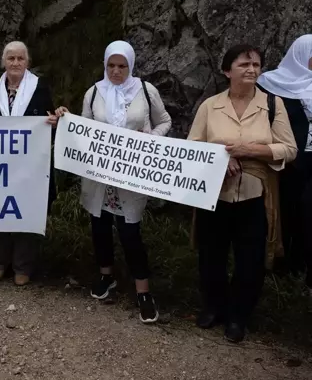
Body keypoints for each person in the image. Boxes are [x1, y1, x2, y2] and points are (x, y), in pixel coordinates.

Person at [50, 40, 171, 323]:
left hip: (130, 176)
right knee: (100, 226)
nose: (116, 71)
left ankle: (143, 291)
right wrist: (65, 119)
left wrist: (151, 138)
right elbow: (85, 128)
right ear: (105, 65)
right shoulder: (94, 92)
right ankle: (107, 276)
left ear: (131, 66)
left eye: (122, 66)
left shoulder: (145, 91)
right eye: (111, 66)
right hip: (99, 176)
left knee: (131, 232)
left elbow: (164, 121)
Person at [188, 44, 297, 343]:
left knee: (250, 260)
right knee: (211, 256)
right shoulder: (210, 106)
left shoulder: (273, 104)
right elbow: (193, 145)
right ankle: (214, 307)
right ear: (227, 71)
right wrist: (221, 160)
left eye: (256, 65)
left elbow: (289, 149)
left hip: (255, 197)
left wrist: (250, 150)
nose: (252, 70)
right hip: (215, 194)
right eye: (244, 64)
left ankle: (239, 317)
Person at [0, 41, 56, 286]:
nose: (15, 63)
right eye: (10, 58)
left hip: (31, 168)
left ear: (27, 62)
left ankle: (23, 265)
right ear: (3, 62)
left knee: (27, 212)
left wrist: (54, 121)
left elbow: (49, 122)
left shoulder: (40, 89)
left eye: (20, 59)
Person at [257, 35, 312, 294]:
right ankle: (282, 262)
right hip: (287, 160)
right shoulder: (270, 85)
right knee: (286, 210)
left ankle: (302, 265)